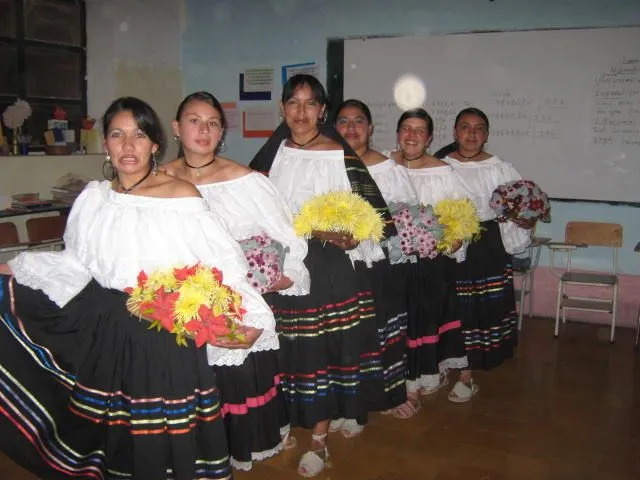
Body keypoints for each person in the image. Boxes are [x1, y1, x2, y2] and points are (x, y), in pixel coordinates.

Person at [0, 96, 276, 480]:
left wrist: (252, 317)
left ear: (156, 144)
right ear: (106, 143)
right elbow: (75, 264)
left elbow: (225, 268)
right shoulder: (94, 198)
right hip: (106, 331)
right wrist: (14, 268)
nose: (128, 146)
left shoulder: (181, 198)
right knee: (119, 441)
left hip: (164, 336)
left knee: (165, 441)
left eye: (139, 135)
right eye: (118, 134)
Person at [250, 74, 395, 478]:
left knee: (326, 352)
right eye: (293, 103)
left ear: (322, 110)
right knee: (287, 351)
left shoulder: (340, 156)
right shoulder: (269, 156)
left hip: (328, 268)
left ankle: (319, 437)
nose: (300, 112)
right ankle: (286, 422)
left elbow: (371, 224)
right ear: (282, 109)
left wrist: (345, 235)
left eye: (310, 103)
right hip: (281, 270)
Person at [163, 91, 310, 471]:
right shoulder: (159, 180)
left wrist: (279, 278)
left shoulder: (245, 181)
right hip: (180, 307)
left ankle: (235, 451)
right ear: (177, 128)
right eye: (195, 120)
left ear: (222, 132)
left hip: (235, 305)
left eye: (213, 122)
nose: (204, 129)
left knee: (234, 381)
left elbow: (289, 238)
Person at [442, 107, 532, 401]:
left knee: (479, 309)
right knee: (451, 306)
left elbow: (522, 207)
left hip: (487, 245)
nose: (471, 133)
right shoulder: (440, 167)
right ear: (455, 132)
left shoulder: (501, 168)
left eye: (478, 128)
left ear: (487, 135)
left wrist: (525, 218)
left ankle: (468, 374)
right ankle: (448, 361)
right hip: (451, 243)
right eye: (465, 127)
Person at [334, 99, 416, 420]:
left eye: (359, 121)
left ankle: (388, 395)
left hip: (379, 265)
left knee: (382, 331)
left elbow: (406, 219)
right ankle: (347, 405)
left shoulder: (388, 170)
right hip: (337, 266)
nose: (351, 128)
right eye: (343, 121)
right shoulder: (325, 164)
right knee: (346, 334)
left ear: (370, 128)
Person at [389, 108, 471, 404]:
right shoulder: (384, 165)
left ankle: (415, 386)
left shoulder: (442, 172)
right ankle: (395, 384)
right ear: (397, 134)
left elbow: (460, 222)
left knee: (422, 321)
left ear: (430, 138)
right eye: (406, 129)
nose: (412, 136)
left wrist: (445, 244)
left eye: (419, 130)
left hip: (429, 264)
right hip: (391, 265)